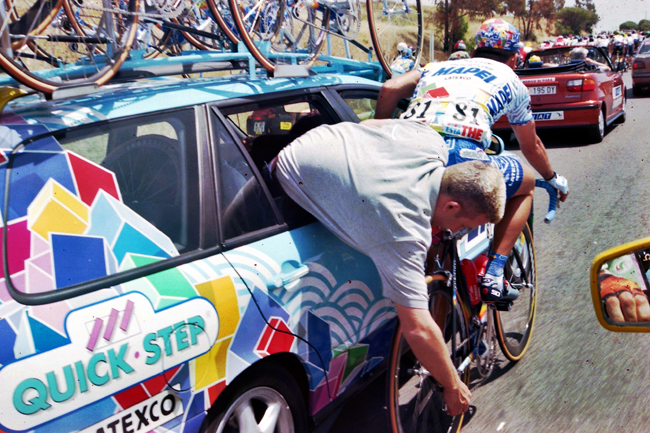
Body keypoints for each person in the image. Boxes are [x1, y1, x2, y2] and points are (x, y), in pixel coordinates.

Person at [274, 120, 507, 416]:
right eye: (462, 225)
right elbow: (419, 327)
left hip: (316, 136)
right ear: (451, 207)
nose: (457, 231)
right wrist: (452, 385)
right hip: (283, 173)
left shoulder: (429, 141)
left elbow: (370, 124)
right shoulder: (404, 232)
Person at [374, 18, 569, 302]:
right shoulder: (511, 79)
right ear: (514, 57)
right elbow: (531, 145)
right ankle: (494, 274)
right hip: (460, 155)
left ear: (476, 49)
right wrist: (552, 178)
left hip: (404, 151)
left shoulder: (434, 66)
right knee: (526, 182)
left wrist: (379, 135)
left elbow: (389, 89)